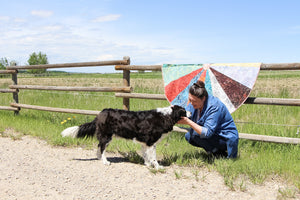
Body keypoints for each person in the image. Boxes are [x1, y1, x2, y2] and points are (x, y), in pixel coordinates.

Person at [177, 80, 239, 158]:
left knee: (195, 133)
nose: (191, 103)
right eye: (190, 100)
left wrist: (189, 122)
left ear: (203, 98)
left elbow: (207, 133)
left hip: (225, 137)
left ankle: (220, 153)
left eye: (194, 101)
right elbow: (186, 113)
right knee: (189, 136)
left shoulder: (214, 106)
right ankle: (216, 153)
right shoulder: (194, 104)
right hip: (214, 135)